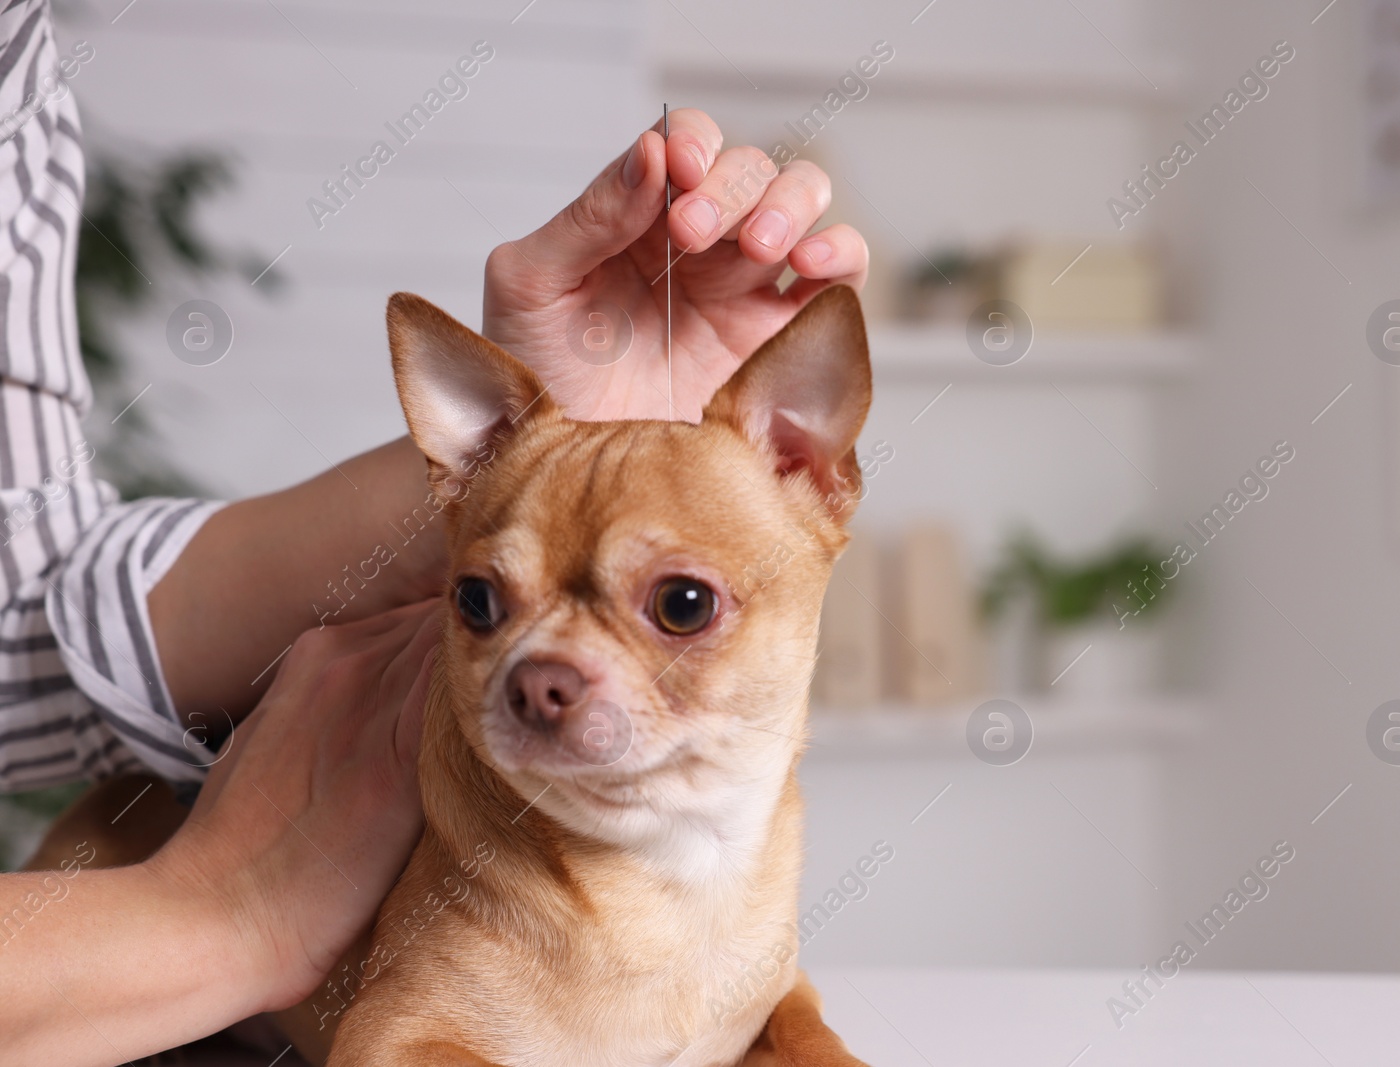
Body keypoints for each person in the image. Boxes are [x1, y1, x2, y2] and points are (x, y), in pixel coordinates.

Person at [0, 0, 869, 1059]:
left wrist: (546, 447)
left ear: (812, 470)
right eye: (485, 601)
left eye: (679, 604)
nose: (543, 672)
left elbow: (26, 589)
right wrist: (214, 910)